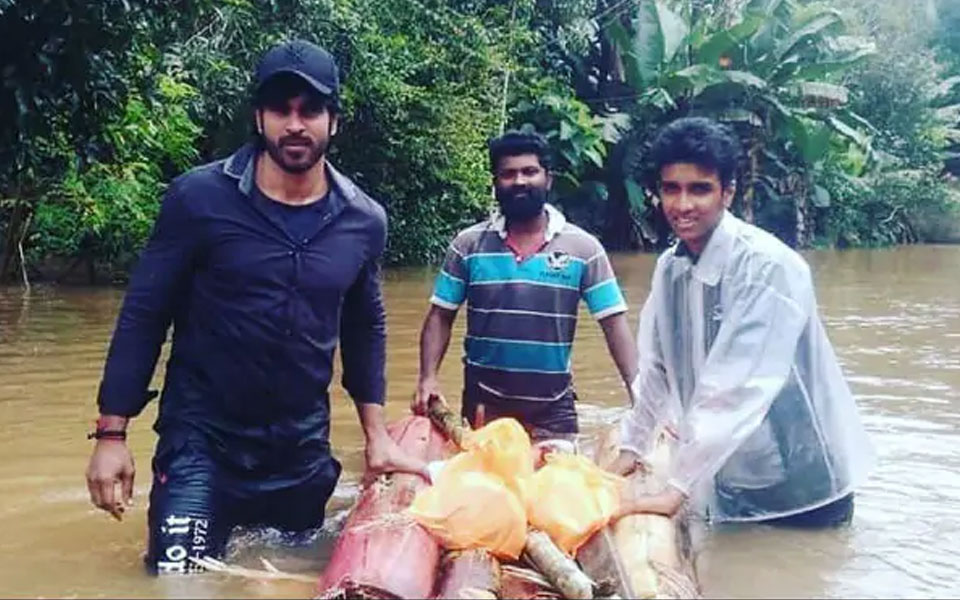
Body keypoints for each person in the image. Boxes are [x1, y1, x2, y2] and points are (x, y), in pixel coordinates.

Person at [84, 39, 426, 575]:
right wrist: (111, 435)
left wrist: (377, 436)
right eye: (280, 109)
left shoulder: (363, 220)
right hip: (201, 444)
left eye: (310, 109)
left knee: (291, 575)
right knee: (176, 583)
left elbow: (365, 329)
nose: (295, 124)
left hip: (299, 451)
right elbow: (143, 315)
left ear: (333, 120)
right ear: (259, 117)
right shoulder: (197, 200)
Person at [609, 117, 874, 527]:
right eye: (671, 189)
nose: (682, 205)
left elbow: (734, 388)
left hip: (800, 484)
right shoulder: (670, 268)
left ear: (727, 193)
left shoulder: (767, 268)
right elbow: (657, 367)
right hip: (728, 476)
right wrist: (631, 448)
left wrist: (675, 489)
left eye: (700, 189)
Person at [413, 130, 638, 443]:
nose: (519, 181)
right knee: (481, 491)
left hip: (553, 411)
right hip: (483, 408)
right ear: (495, 182)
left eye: (530, 171)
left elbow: (613, 324)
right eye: (508, 173)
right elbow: (440, 316)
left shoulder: (584, 249)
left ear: (548, 179)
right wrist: (427, 379)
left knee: (558, 490)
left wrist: (638, 393)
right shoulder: (468, 245)